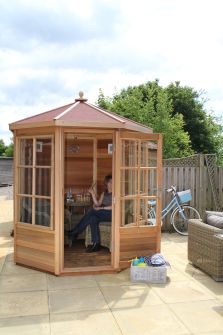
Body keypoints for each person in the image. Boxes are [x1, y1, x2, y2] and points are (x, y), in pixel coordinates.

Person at [67, 175, 112, 252]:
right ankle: (96, 244)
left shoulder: (115, 193)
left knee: (92, 211)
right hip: (103, 214)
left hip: (112, 214)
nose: (111, 184)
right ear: (106, 183)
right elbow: (97, 204)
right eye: (110, 182)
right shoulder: (104, 194)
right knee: (92, 218)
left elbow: (114, 207)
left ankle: (75, 232)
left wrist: (101, 208)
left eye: (113, 182)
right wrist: (92, 194)